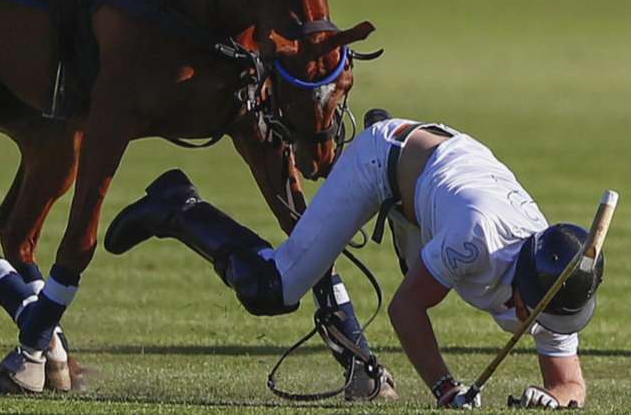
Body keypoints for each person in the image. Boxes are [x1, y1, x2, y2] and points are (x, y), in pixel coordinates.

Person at [105, 109, 604, 409]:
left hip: (438, 183)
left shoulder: (561, 278)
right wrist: (447, 390)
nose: (526, 319)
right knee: (272, 289)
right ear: (524, 275)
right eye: (528, 307)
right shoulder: (476, 240)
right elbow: (406, 310)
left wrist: (553, 401)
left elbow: (570, 383)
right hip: (384, 162)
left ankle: (361, 366)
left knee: (422, 261)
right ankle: (179, 206)